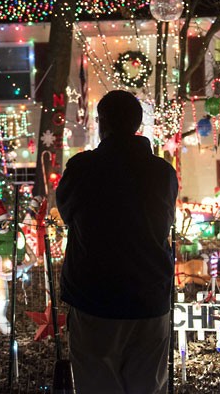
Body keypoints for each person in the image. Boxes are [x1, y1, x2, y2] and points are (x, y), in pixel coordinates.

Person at [56, 90, 179, 393]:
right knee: (148, 385)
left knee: (97, 382)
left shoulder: (83, 169)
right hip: (150, 296)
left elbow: (67, 213)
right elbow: (165, 222)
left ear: (104, 122)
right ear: (137, 124)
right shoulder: (162, 172)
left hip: (95, 295)